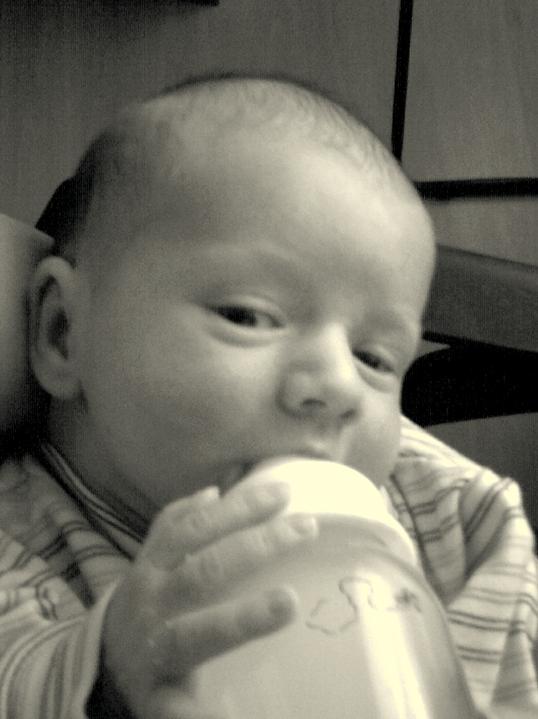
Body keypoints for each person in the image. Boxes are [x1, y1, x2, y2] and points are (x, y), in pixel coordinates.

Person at [0, 74, 535, 719]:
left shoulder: (458, 519)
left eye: (375, 359)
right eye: (248, 316)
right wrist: (106, 680)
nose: (338, 386)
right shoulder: (16, 546)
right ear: (63, 331)